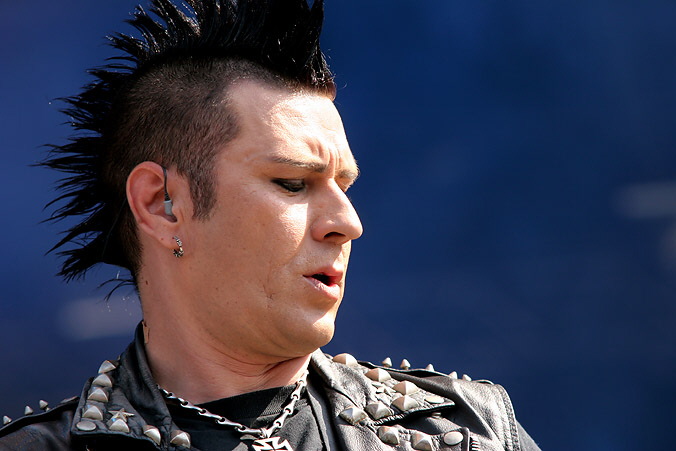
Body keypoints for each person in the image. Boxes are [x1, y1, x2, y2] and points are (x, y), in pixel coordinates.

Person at [0, 0, 540, 450]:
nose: (347, 223)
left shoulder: (470, 431)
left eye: (344, 186)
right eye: (293, 183)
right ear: (163, 205)